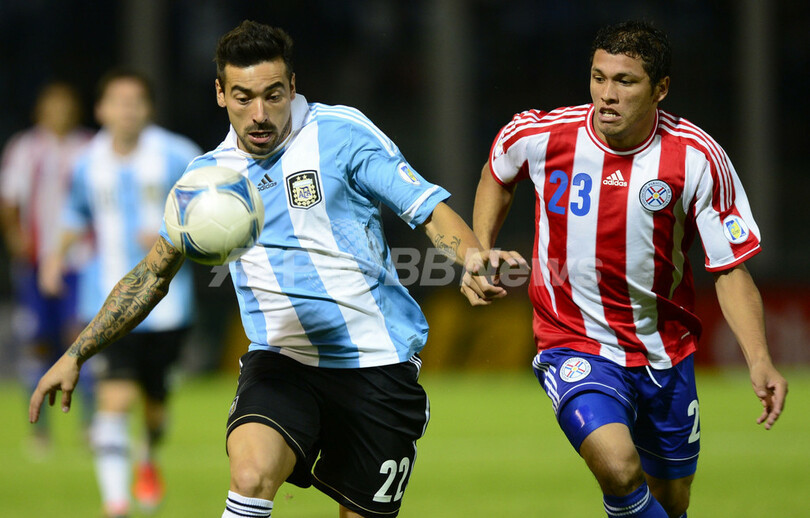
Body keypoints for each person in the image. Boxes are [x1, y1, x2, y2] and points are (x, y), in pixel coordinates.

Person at [30, 21, 523, 518]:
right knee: (251, 474)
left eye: (273, 95)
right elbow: (153, 274)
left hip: (379, 363)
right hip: (283, 360)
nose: (260, 114)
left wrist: (471, 257)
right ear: (220, 94)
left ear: (292, 86)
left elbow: (425, 209)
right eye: (243, 98)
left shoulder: (340, 133)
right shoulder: (207, 182)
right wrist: (77, 352)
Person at [472, 20, 788, 518]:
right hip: (573, 341)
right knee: (619, 469)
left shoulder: (696, 157)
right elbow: (498, 170)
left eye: (625, 81)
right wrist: (480, 249)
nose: (607, 95)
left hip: (664, 351)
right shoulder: (544, 135)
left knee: (670, 500)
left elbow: (730, 270)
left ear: (660, 88)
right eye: (599, 78)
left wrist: (759, 359)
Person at [38, 69, 201, 518]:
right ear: (101, 109)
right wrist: (54, 258)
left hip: (169, 305)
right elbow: (75, 213)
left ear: (148, 109)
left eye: (136, 101)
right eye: (118, 101)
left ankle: (147, 456)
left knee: (155, 411)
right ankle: (115, 505)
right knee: (115, 399)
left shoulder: (179, 154)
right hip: (107, 304)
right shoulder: (87, 162)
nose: (127, 110)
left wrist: (175, 234)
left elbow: (213, 207)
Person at [0, 81, 94, 455]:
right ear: (41, 110)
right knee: (37, 343)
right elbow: (10, 200)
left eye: (66, 106)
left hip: (82, 262)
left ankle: (90, 427)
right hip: (37, 261)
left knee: (83, 340)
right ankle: (40, 432)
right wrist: (16, 239)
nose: (60, 113)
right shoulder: (25, 148)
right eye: (53, 106)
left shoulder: (89, 147)